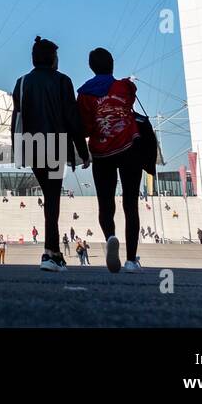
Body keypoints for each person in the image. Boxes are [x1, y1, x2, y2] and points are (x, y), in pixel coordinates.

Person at [12, 37, 90, 272]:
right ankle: (49, 253)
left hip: (32, 146)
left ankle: (54, 252)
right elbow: (72, 118)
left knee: (50, 196)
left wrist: (18, 149)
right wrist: (82, 151)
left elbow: (16, 118)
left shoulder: (22, 82)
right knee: (52, 199)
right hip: (55, 145)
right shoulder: (63, 81)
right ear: (53, 59)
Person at [76, 46, 144, 274]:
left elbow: (84, 128)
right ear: (112, 63)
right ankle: (132, 260)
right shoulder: (125, 87)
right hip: (129, 148)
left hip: (102, 152)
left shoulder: (84, 94)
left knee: (106, 204)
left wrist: (83, 153)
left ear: (91, 67)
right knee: (130, 204)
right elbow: (130, 101)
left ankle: (111, 237)